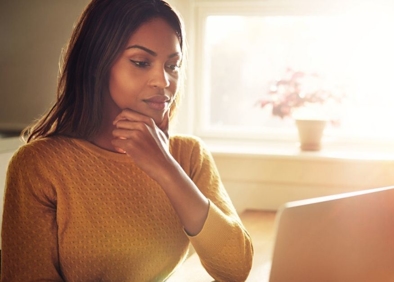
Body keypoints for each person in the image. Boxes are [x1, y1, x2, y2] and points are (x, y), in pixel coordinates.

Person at [0, 0, 253, 281]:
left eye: (172, 65)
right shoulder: (40, 166)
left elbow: (235, 269)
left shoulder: (188, 155)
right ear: (97, 64)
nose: (163, 80)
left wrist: (166, 169)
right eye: (141, 62)